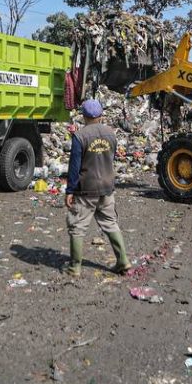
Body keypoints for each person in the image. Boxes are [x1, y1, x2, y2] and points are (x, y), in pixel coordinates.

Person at [64, 99, 131, 277]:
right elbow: (110, 158)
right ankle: (123, 261)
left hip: (87, 189)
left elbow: (74, 167)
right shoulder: (111, 134)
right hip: (107, 187)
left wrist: (70, 191)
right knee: (110, 223)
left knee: (77, 227)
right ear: (101, 115)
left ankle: (75, 267)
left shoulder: (80, 136)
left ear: (84, 116)